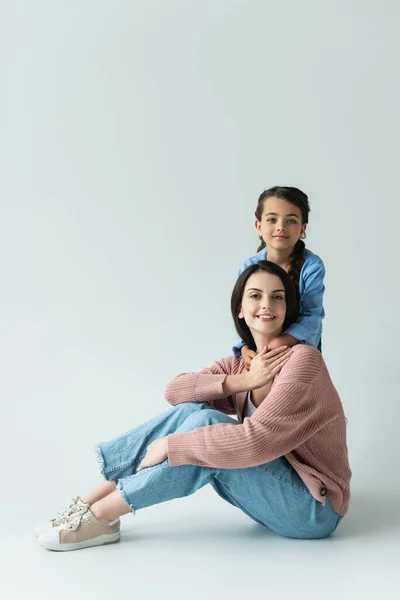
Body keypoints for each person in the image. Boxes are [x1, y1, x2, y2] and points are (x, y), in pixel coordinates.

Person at [35, 261, 350, 551]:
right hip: (273, 493)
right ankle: (92, 502)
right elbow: (176, 392)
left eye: (277, 297)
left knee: (207, 429)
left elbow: (257, 442)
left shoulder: (303, 362)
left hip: (314, 509)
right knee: (192, 413)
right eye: (255, 295)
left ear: (287, 308)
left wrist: (172, 445)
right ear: (240, 308)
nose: (266, 304)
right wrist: (244, 381)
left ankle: (103, 516)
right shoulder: (241, 364)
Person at [234, 186, 325, 369]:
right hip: (258, 349)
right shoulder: (249, 267)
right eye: (272, 219)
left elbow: (311, 316)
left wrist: (276, 345)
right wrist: (244, 347)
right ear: (258, 226)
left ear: (302, 229)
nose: (281, 227)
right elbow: (243, 312)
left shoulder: (311, 267)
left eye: (291, 220)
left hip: (297, 348)